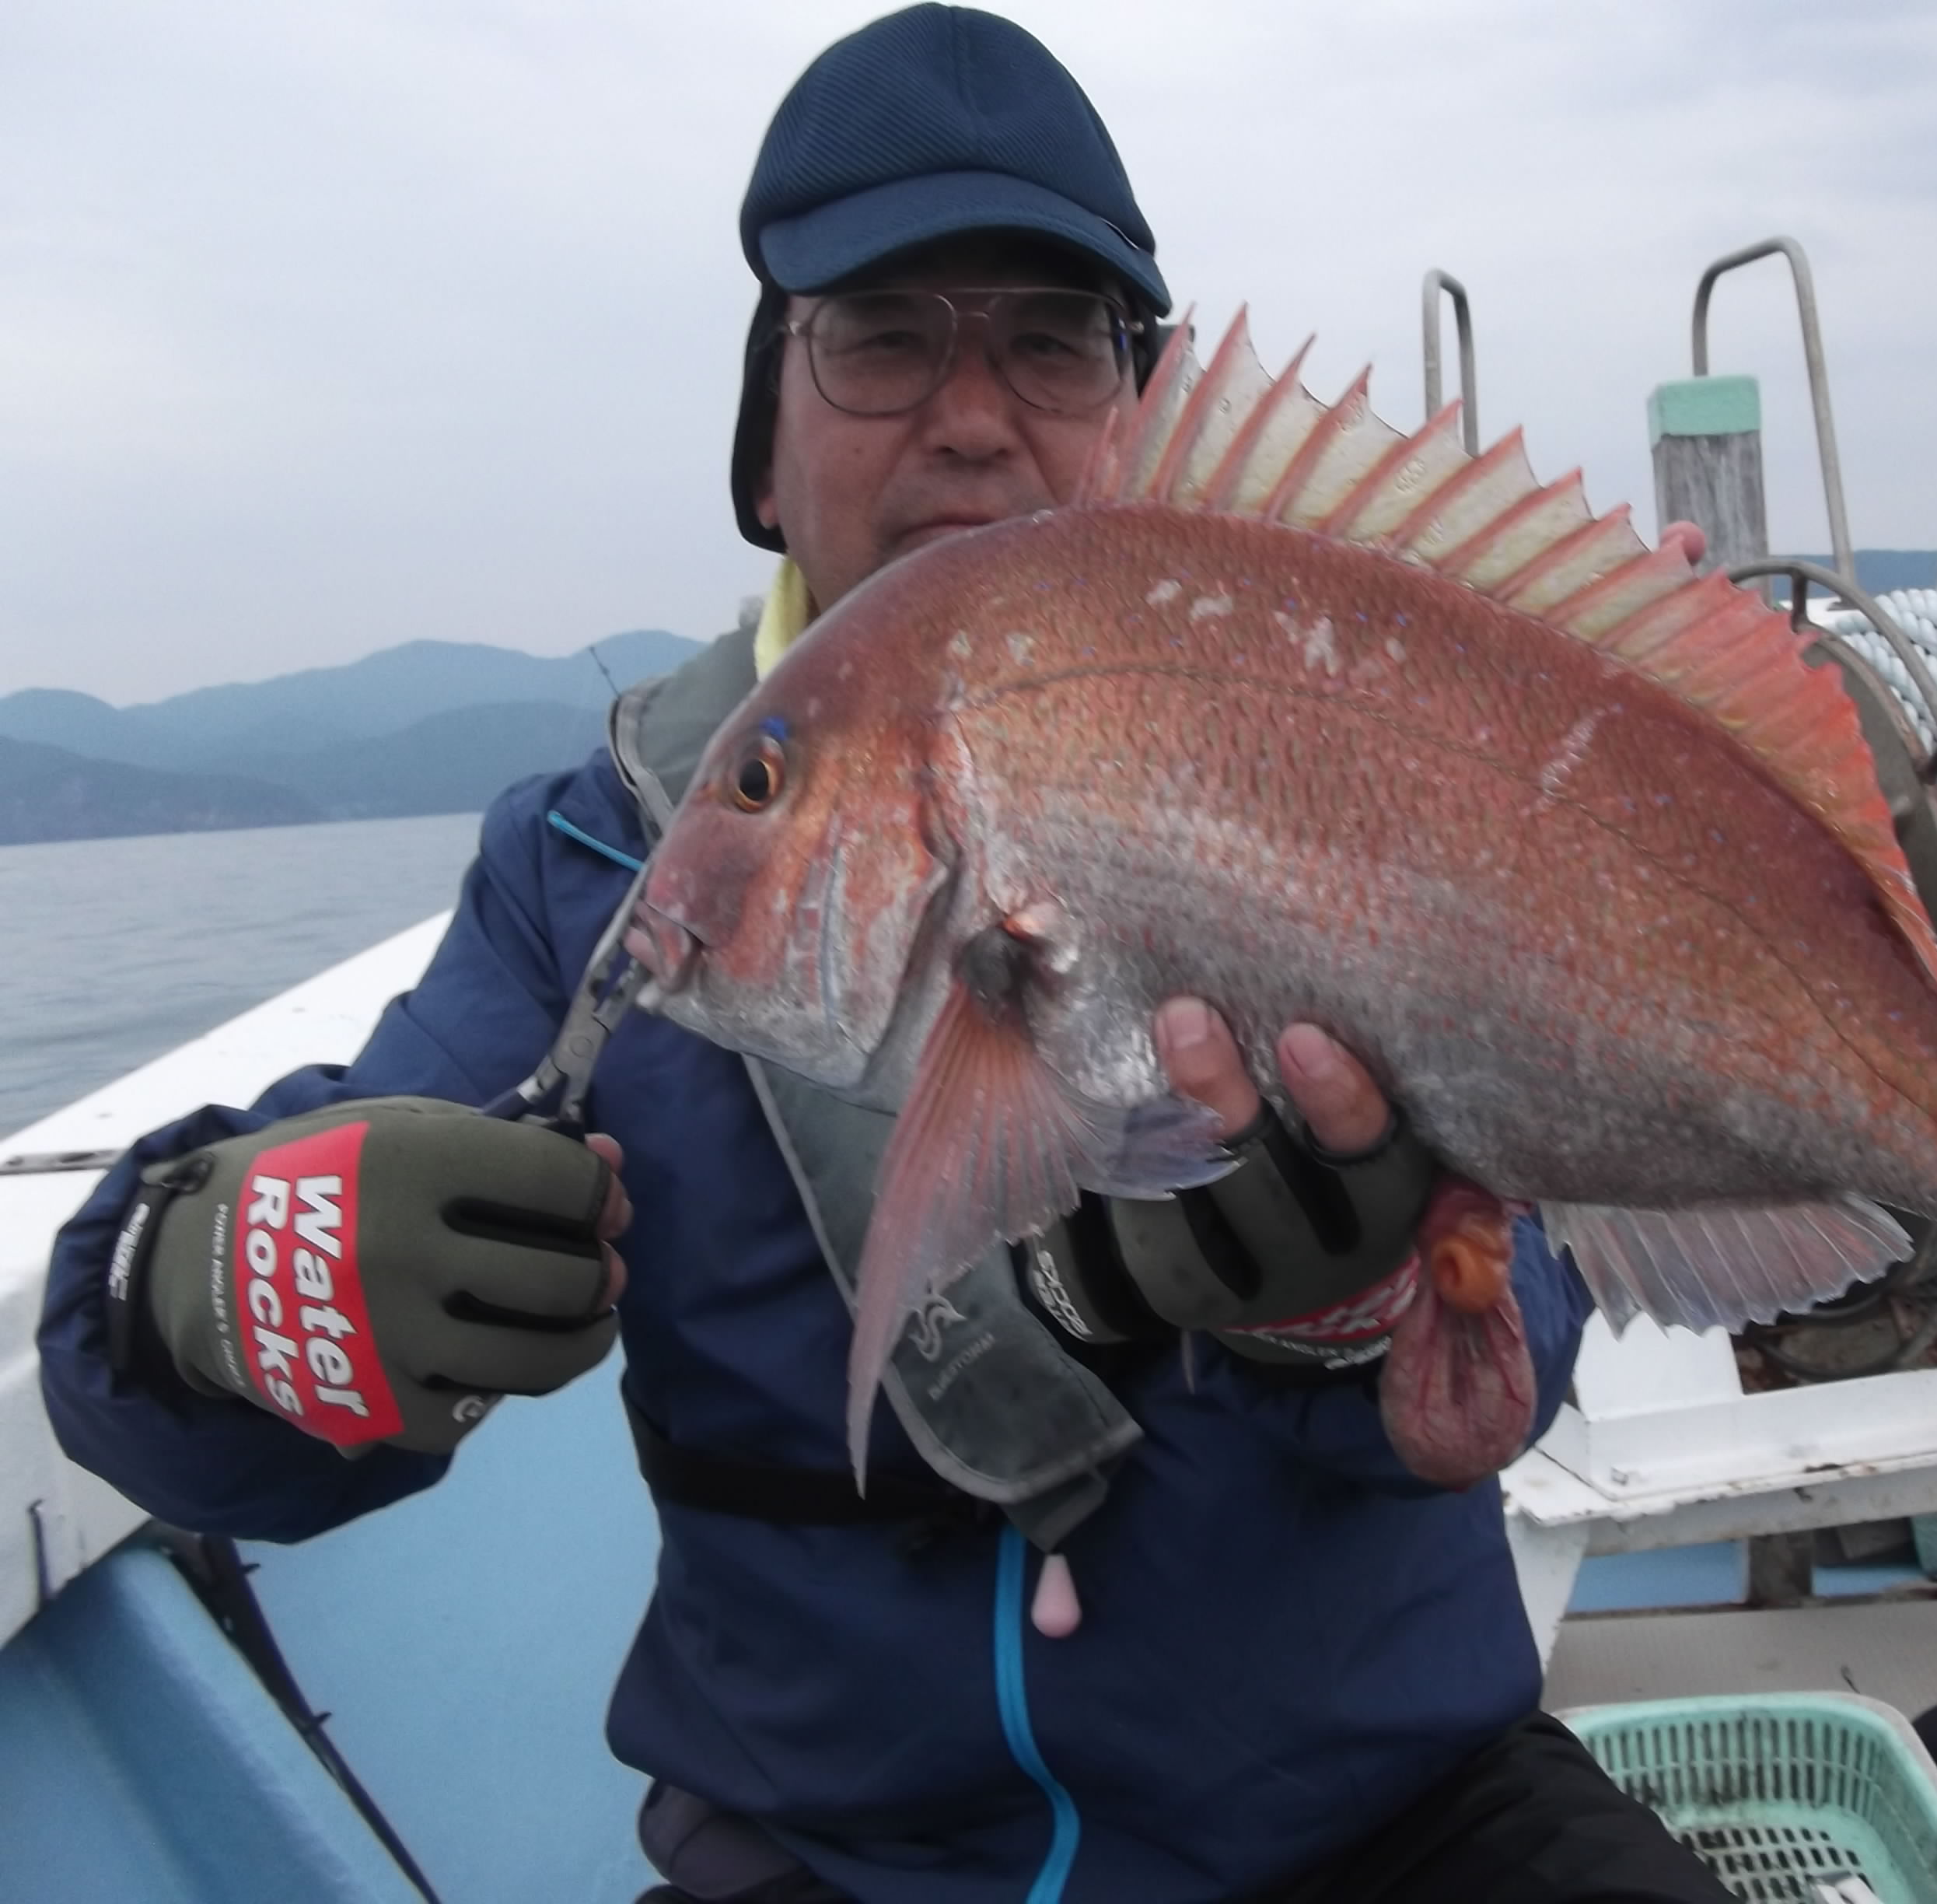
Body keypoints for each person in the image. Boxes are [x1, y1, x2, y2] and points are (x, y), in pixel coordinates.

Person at [40, 9, 1737, 1901]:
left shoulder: (1338, 727)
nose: (970, 410)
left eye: (1050, 334)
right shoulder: (602, 863)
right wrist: (214, 1285)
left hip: (1392, 1813)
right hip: (832, 1857)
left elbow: (1566, 1239)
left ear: (1141, 417)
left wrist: (1372, 1308)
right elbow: (200, 1418)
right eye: (880, 333)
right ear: (762, 437)